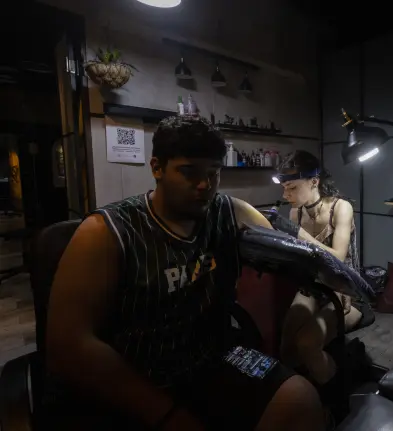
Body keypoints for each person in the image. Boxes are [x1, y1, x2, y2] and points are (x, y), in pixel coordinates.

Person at [46, 116, 324, 431]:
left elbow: (291, 246)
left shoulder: (227, 211)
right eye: (189, 172)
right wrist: (170, 416)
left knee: (301, 400)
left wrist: (331, 274)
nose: (204, 185)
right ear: (157, 168)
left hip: (214, 358)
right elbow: (68, 346)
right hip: (141, 373)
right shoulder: (107, 232)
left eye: (213, 173)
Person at [263, 150, 364, 387]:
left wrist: (297, 233)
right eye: (284, 188)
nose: (286, 195)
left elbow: (337, 257)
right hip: (314, 286)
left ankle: (335, 393)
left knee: (307, 343)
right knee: (286, 344)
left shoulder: (341, 208)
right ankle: (303, 391)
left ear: (314, 181)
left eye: (292, 187)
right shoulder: (296, 212)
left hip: (346, 291)